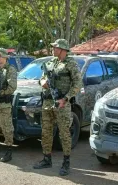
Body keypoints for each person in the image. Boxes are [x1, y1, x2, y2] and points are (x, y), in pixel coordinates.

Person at [33, 39, 82, 176]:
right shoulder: (50, 62)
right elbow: (42, 77)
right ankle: (46, 159)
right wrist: (42, 82)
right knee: (46, 132)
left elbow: (77, 84)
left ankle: (66, 163)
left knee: (64, 134)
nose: (53, 49)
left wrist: (66, 99)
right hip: (47, 103)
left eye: (55, 47)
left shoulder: (71, 64)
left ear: (62, 49)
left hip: (62, 103)